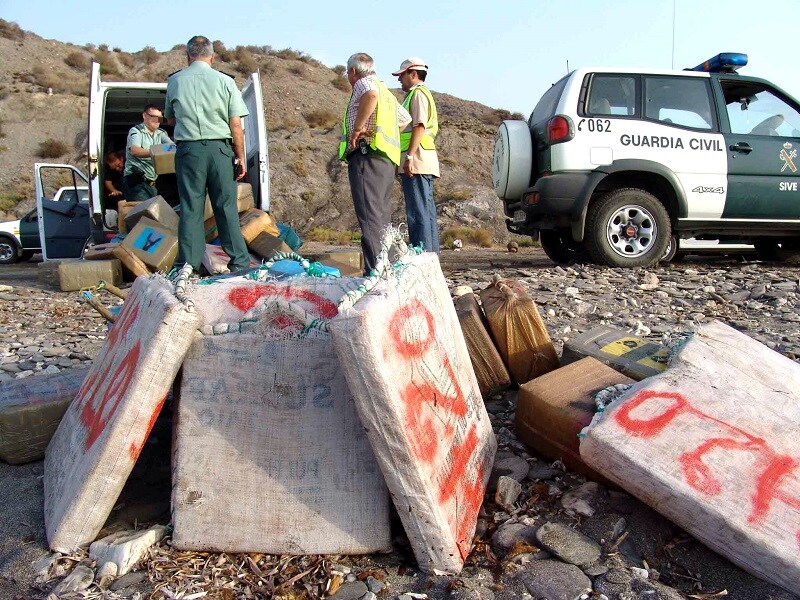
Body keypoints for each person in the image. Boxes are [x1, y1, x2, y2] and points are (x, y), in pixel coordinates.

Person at [164, 35, 251, 277]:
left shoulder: (175, 81)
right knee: (225, 206)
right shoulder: (225, 81)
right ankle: (240, 263)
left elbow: (170, 118)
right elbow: (236, 125)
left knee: (191, 207)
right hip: (220, 150)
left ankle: (186, 266)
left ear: (187, 55)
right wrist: (240, 157)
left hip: (189, 150)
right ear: (212, 56)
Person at [339, 52, 410, 274]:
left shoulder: (365, 84)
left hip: (366, 156)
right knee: (381, 216)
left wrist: (358, 130)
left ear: (352, 71)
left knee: (370, 216)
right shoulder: (386, 92)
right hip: (385, 158)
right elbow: (405, 119)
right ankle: (387, 269)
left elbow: (369, 96)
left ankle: (375, 273)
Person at [392, 57, 441, 254]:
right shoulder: (419, 95)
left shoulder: (418, 94)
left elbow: (419, 126)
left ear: (413, 73)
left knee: (418, 213)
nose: (399, 80)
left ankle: (422, 260)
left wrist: (409, 158)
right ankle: (430, 261)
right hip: (421, 160)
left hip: (417, 160)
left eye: (401, 75)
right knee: (425, 213)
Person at [122, 104, 173, 201]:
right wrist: (157, 151)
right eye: (154, 117)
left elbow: (172, 148)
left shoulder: (160, 133)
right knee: (143, 214)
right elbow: (135, 151)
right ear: (144, 116)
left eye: (160, 118)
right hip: (136, 182)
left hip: (152, 183)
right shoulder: (136, 131)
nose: (157, 121)